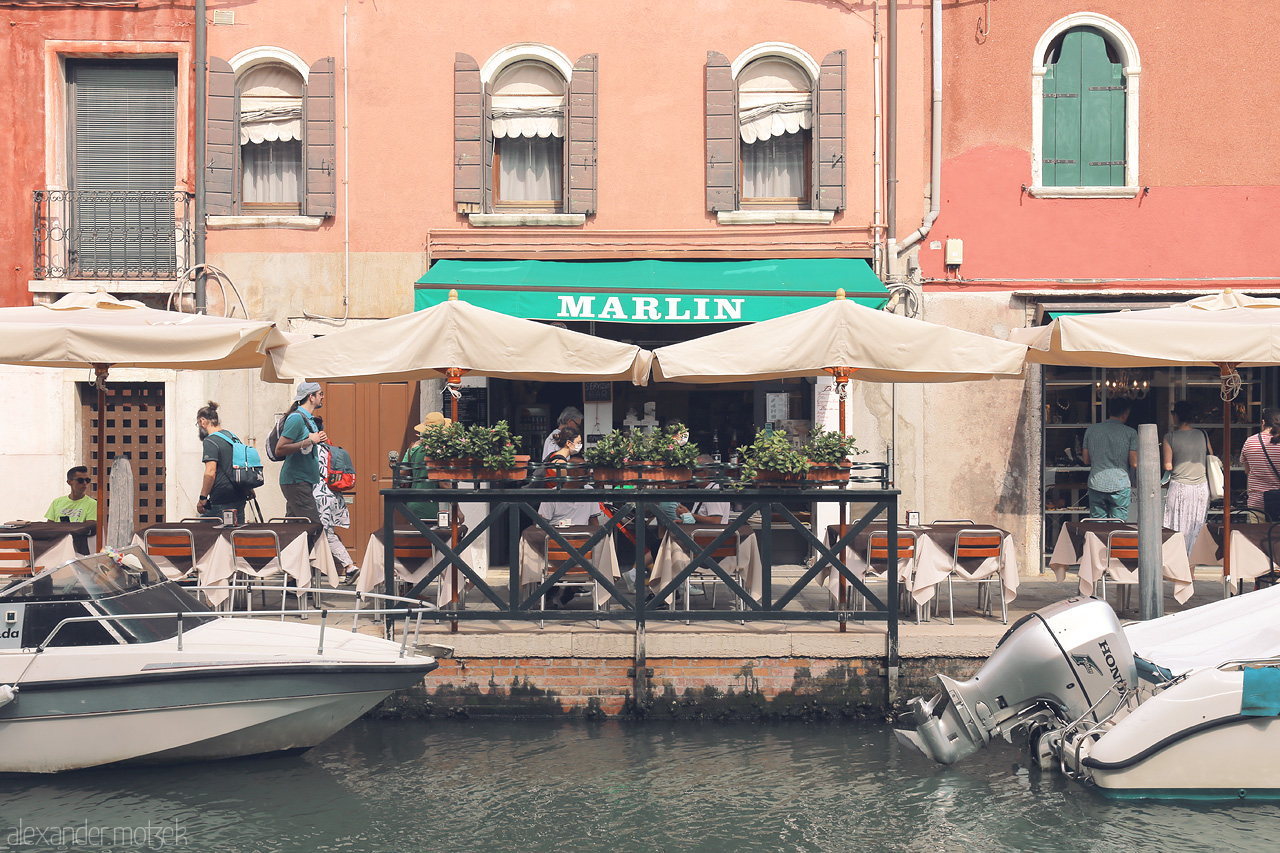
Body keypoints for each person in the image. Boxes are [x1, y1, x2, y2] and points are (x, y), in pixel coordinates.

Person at [310, 416, 357, 583]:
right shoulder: (330, 448)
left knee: (324, 534)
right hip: (333, 495)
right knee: (324, 532)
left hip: (318, 496)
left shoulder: (310, 450)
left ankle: (349, 567)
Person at [274, 381, 328, 524]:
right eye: (320, 394)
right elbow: (280, 449)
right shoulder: (296, 418)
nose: (323, 396)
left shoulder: (309, 419)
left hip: (303, 481)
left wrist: (316, 439)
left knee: (295, 530)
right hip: (296, 481)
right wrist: (311, 441)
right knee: (313, 526)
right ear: (311, 397)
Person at [1162, 401, 1210, 554]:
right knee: (1196, 528)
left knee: (1176, 527)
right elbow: (1211, 456)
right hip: (1201, 487)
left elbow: (1168, 466)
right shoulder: (1203, 434)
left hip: (1179, 487)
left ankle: (1178, 566)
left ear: (1176, 415)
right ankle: (1192, 569)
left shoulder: (1170, 437)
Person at [1081, 397, 1138, 520]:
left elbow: (1086, 460)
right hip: (1120, 484)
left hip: (1097, 482)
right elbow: (1134, 463)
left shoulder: (1091, 430)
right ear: (1125, 414)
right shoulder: (1131, 433)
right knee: (1118, 524)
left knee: (1097, 524)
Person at [195, 401, 249, 524]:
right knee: (235, 534)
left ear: (202, 421)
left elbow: (210, 471)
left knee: (203, 535)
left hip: (221, 497)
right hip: (239, 494)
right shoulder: (232, 437)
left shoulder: (210, 441)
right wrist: (248, 488)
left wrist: (203, 498)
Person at [1240, 408, 1280, 522]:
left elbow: (1247, 471)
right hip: (1278, 503)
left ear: (1263, 423)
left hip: (1257, 502)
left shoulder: (1250, 442)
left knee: (1257, 538)